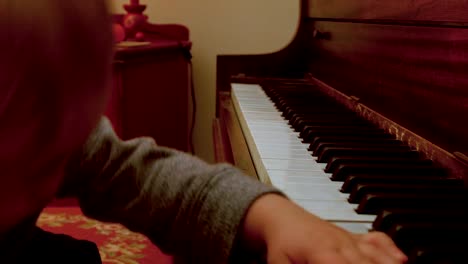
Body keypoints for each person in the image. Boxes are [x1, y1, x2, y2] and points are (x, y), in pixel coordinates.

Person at [0, 0, 407, 263]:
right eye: (29, 168)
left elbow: (147, 177)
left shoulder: (59, 135)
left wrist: (272, 216)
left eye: (58, 157)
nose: (53, 177)